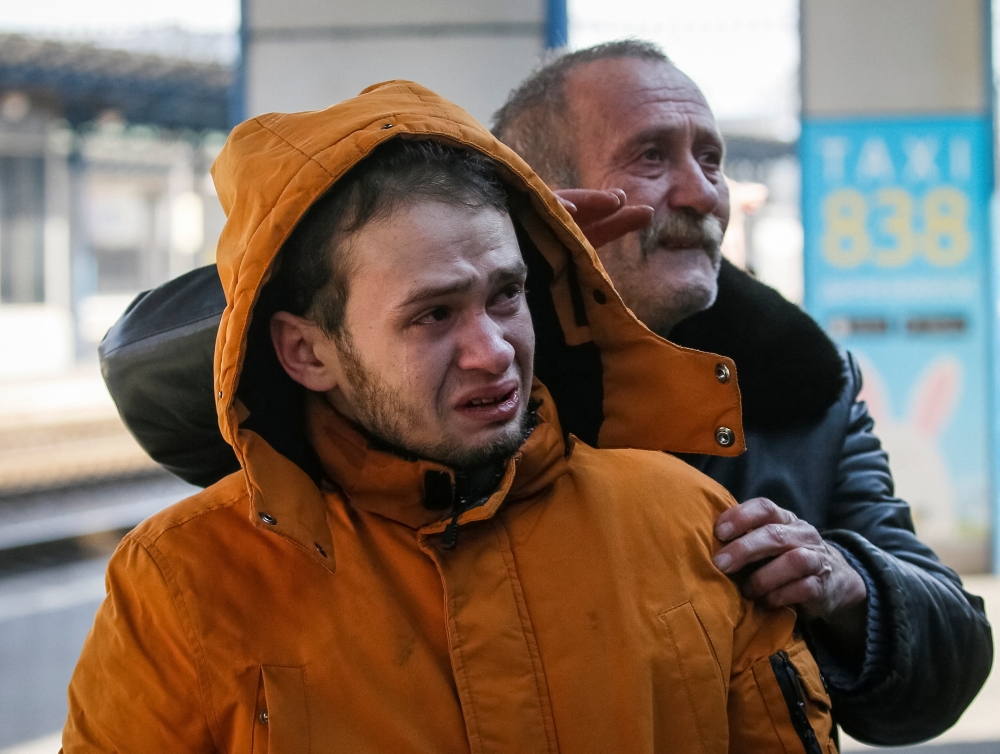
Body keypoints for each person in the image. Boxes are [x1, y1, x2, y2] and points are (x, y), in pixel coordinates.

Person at [96, 43, 992, 745]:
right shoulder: (415, 383)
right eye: (651, 156)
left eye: (711, 157)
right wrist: (475, 241)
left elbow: (946, 659)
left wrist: (848, 588)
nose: (700, 190)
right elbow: (151, 364)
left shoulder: (800, 382)